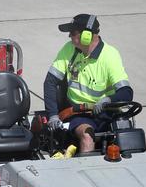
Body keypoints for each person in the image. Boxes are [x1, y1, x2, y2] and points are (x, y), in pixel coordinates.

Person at [43, 13, 133, 152]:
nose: (69, 37)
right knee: (87, 135)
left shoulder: (110, 55)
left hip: (107, 112)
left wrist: (107, 100)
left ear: (87, 35)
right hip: (79, 114)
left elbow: (126, 92)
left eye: (73, 33)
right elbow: (49, 82)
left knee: (128, 136)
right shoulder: (69, 49)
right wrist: (53, 115)